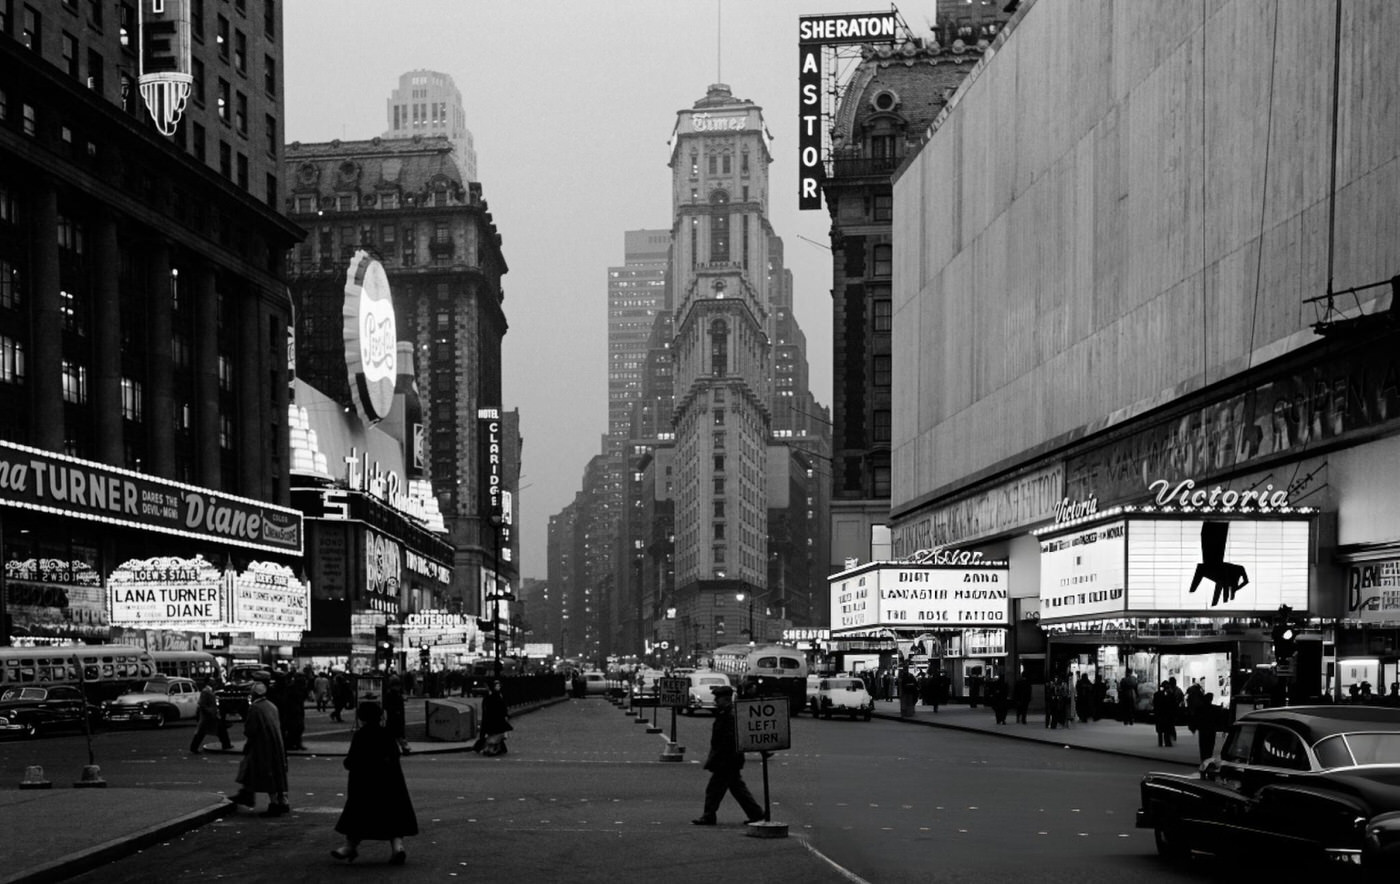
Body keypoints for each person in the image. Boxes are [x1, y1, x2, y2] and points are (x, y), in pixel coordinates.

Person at [330, 700, 417, 865]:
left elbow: (351, 760)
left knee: (358, 815)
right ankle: (397, 847)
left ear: (362, 718)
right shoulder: (387, 734)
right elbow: (394, 756)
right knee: (392, 816)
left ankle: (350, 846)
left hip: (365, 784)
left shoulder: (361, 735)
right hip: (389, 782)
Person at [692, 685, 764, 826]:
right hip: (728, 760)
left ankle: (709, 816)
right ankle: (756, 814)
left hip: (726, 760)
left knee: (715, 790)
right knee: (737, 789)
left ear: (725, 700)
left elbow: (728, 740)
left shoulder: (729, 716)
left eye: (717, 699)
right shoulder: (726, 713)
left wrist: (718, 759)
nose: (715, 702)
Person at [229, 680, 290, 817]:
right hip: (277, 745)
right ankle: (282, 801)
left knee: (264, 773)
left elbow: (250, 730)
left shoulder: (255, 708)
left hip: (261, 747)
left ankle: (272, 803)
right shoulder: (272, 706)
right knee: (277, 773)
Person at [190, 684, 232, 754]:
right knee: (204, 732)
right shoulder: (206, 692)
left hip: (210, 716)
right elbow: (202, 704)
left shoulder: (209, 691)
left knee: (219, 730)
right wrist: (209, 711)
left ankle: (226, 744)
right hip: (208, 717)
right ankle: (193, 747)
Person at [478, 679, 512, 756]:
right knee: (496, 733)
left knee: (495, 733)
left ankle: (492, 748)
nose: (498, 687)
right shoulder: (494, 696)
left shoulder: (496, 695)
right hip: (494, 718)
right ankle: (491, 748)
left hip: (494, 718)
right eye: (497, 686)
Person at [1195, 692, 1225, 761]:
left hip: (1203, 729)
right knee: (1210, 746)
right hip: (1211, 729)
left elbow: (1196, 718)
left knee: (1203, 746)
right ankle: (1207, 759)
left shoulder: (1200, 708)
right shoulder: (1214, 709)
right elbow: (1219, 717)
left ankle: (1203, 759)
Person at [384, 675, 408, 755]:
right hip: (396, 716)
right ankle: (404, 747)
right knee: (398, 734)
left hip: (392, 717)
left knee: (392, 734)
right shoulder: (396, 695)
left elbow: (386, 706)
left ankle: (401, 747)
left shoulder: (390, 694)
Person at [1153, 681, 1180, 748]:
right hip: (1167, 715)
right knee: (1167, 730)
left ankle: (1161, 743)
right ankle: (1167, 743)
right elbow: (1174, 705)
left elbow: (1155, 704)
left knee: (1161, 730)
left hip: (1160, 714)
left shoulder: (1157, 694)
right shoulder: (1170, 694)